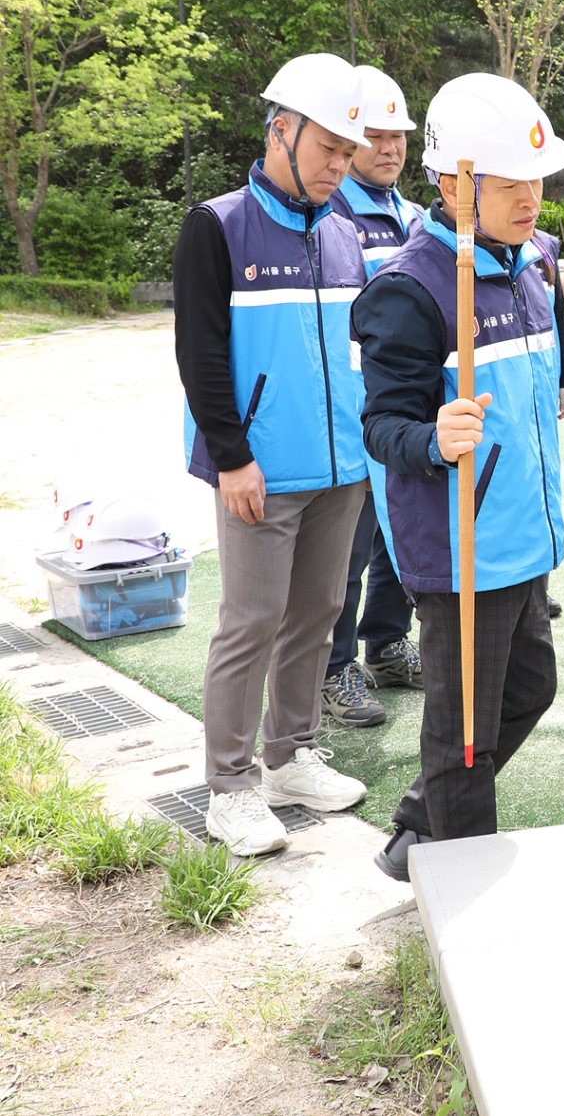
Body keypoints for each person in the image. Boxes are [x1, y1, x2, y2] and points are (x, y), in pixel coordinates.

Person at [350, 73, 564, 881]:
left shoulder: (527, 263)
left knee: (529, 690)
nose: (531, 196)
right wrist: (432, 437)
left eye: (537, 178)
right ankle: (465, 894)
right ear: (452, 184)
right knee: (465, 732)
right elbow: (382, 427)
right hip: (460, 545)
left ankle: (420, 820)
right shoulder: (410, 291)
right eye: (510, 180)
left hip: (522, 534)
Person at [172, 52, 374, 856]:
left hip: (342, 466)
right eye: (327, 147)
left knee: (319, 616)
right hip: (258, 466)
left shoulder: (346, 232)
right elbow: (200, 351)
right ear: (280, 130)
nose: (339, 166)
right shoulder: (216, 225)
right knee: (250, 622)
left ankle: (292, 755)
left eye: (347, 153)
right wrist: (230, 455)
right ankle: (229, 785)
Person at [319, 64, 429, 729]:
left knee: (402, 539)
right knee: (346, 553)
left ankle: (386, 643)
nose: (388, 149)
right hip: (344, 417)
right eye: (374, 135)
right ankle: (334, 669)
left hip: (402, 415)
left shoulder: (416, 217)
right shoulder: (328, 215)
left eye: (399, 137)